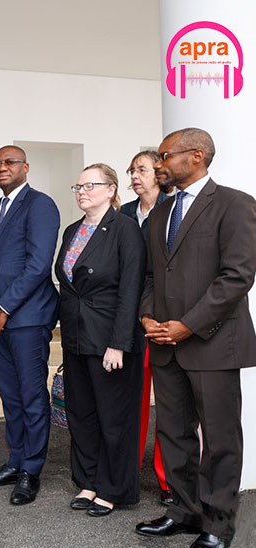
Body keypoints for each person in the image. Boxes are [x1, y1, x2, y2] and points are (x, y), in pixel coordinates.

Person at [135, 128, 256, 548]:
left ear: (197, 156)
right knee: (173, 433)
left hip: (212, 343)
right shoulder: (161, 212)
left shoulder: (235, 204)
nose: (159, 164)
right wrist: (147, 316)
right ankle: (184, 511)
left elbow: (237, 277)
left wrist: (187, 325)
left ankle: (219, 525)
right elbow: (152, 275)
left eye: (166, 156)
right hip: (165, 343)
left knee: (220, 439)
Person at [55, 164, 146, 517]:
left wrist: (119, 343)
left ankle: (112, 489)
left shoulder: (125, 228)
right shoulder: (72, 230)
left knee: (113, 418)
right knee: (81, 414)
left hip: (110, 339)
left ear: (111, 190)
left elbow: (131, 289)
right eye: (78, 186)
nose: (82, 191)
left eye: (90, 185)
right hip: (76, 337)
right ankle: (88, 482)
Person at [0, 145, 60, 506]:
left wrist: (4, 308)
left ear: (25, 167)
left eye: (9, 162)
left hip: (27, 317)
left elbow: (39, 265)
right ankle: (15, 461)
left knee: (32, 396)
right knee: (10, 396)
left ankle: (31, 470)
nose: (2, 168)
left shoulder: (40, 204)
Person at [120, 151, 173, 506]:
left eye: (141, 169)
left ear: (158, 173)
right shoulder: (123, 214)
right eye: (132, 171)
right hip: (128, 319)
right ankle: (128, 473)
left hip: (163, 319)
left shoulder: (174, 209)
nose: (135, 176)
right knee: (132, 403)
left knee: (169, 405)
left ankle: (168, 480)